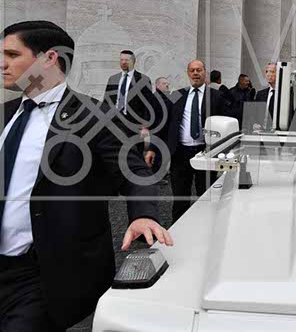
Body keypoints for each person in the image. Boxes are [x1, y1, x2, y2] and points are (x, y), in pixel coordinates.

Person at [0, 20, 172, 331]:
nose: (2, 63)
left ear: (49, 59)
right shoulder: (6, 114)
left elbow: (135, 172)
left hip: (41, 273)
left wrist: (143, 215)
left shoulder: (95, 116)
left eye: (12, 55)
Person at [152, 59, 235, 223]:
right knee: (180, 196)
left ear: (205, 73)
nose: (196, 73)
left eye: (199, 70)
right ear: (188, 74)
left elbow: (227, 122)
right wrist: (152, 148)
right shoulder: (177, 95)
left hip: (206, 152)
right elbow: (164, 123)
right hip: (180, 153)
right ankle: (178, 229)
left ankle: (207, 226)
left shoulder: (217, 96)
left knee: (206, 194)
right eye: (192, 70)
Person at [103, 50, 159, 156]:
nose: (124, 62)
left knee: (135, 153)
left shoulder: (143, 79)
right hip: (115, 122)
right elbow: (106, 101)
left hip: (134, 124)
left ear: (133, 61)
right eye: (121, 60)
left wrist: (145, 126)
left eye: (127, 60)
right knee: (115, 152)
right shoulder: (113, 79)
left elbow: (148, 104)